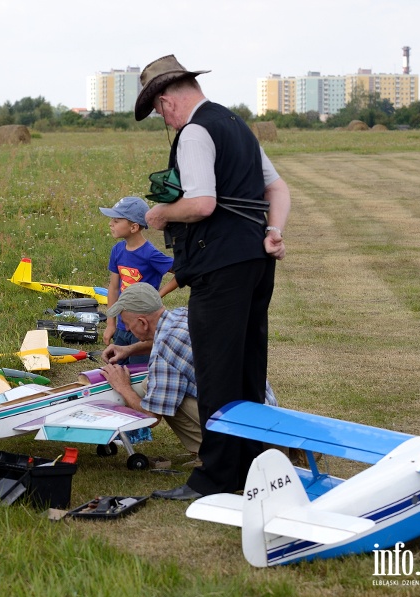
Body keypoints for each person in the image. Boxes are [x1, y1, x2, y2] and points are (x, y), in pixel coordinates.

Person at [135, 55, 292, 500]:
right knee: (247, 371)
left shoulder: (195, 131)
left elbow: (202, 203)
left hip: (220, 270)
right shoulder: (237, 125)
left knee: (218, 376)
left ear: (166, 101)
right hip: (256, 265)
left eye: (159, 112)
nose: (162, 120)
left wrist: (161, 213)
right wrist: (274, 230)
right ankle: (254, 469)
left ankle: (217, 480)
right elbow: (277, 188)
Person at [101, 282, 279, 463]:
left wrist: (123, 387)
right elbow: (166, 342)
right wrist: (129, 350)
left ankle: (216, 451)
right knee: (156, 384)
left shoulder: (164, 350)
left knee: (156, 390)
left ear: (142, 322)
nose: (128, 329)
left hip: (251, 438)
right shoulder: (182, 315)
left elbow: (151, 417)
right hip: (266, 417)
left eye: (128, 324)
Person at [99, 196, 174, 365]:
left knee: (140, 372)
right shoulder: (117, 250)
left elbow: (183, 272)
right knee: (117, 366)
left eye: (117, 220)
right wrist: (110, 323)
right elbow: (113, 288)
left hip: (142, 328)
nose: (111, 224)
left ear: (133, 227)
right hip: (121, 325)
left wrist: (158, 295)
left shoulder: (150, 254)